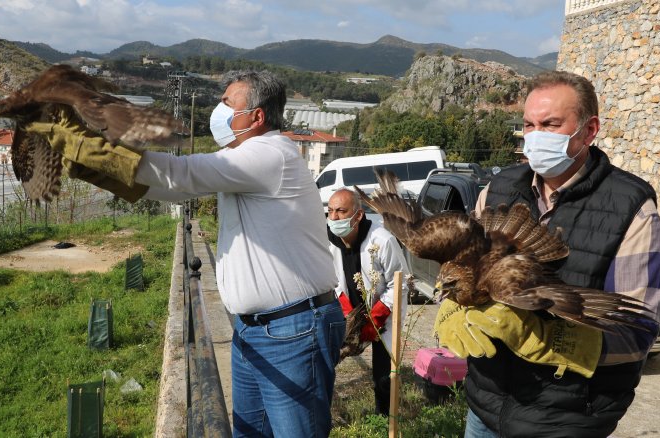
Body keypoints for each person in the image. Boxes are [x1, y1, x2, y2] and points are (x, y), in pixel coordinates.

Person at [27, 70, 345, 437]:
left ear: (257, 117)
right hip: (257, 328)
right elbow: (175, 189)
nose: (219, 109)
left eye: (228, 103)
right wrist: (91, 167)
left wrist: (81, 145)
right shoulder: (245, 160)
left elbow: (180, 174)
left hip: (291, 330)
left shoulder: (269, 153)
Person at [437, 70, 660, 437]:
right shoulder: (497, 189)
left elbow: (636, 332)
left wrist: (544, 338)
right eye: (529, 125)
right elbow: (468, 266)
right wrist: (456, 306)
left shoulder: (631, 207)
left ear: (589, 130)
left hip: (567, 418)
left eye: (551, 124)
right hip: (487, 407)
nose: (536, 136)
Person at [326, 188, 410, 416]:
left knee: (384, 373)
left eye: (341, 211)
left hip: (383, 311)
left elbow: (400, 282)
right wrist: (345, 307)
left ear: (359, 215)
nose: (334, 218)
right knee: (329, 356)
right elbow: (331, 280)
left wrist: (376, 318)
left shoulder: (382, 240)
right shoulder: (328, 240)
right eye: (330, 211)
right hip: (349, 310)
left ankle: (384, 416)